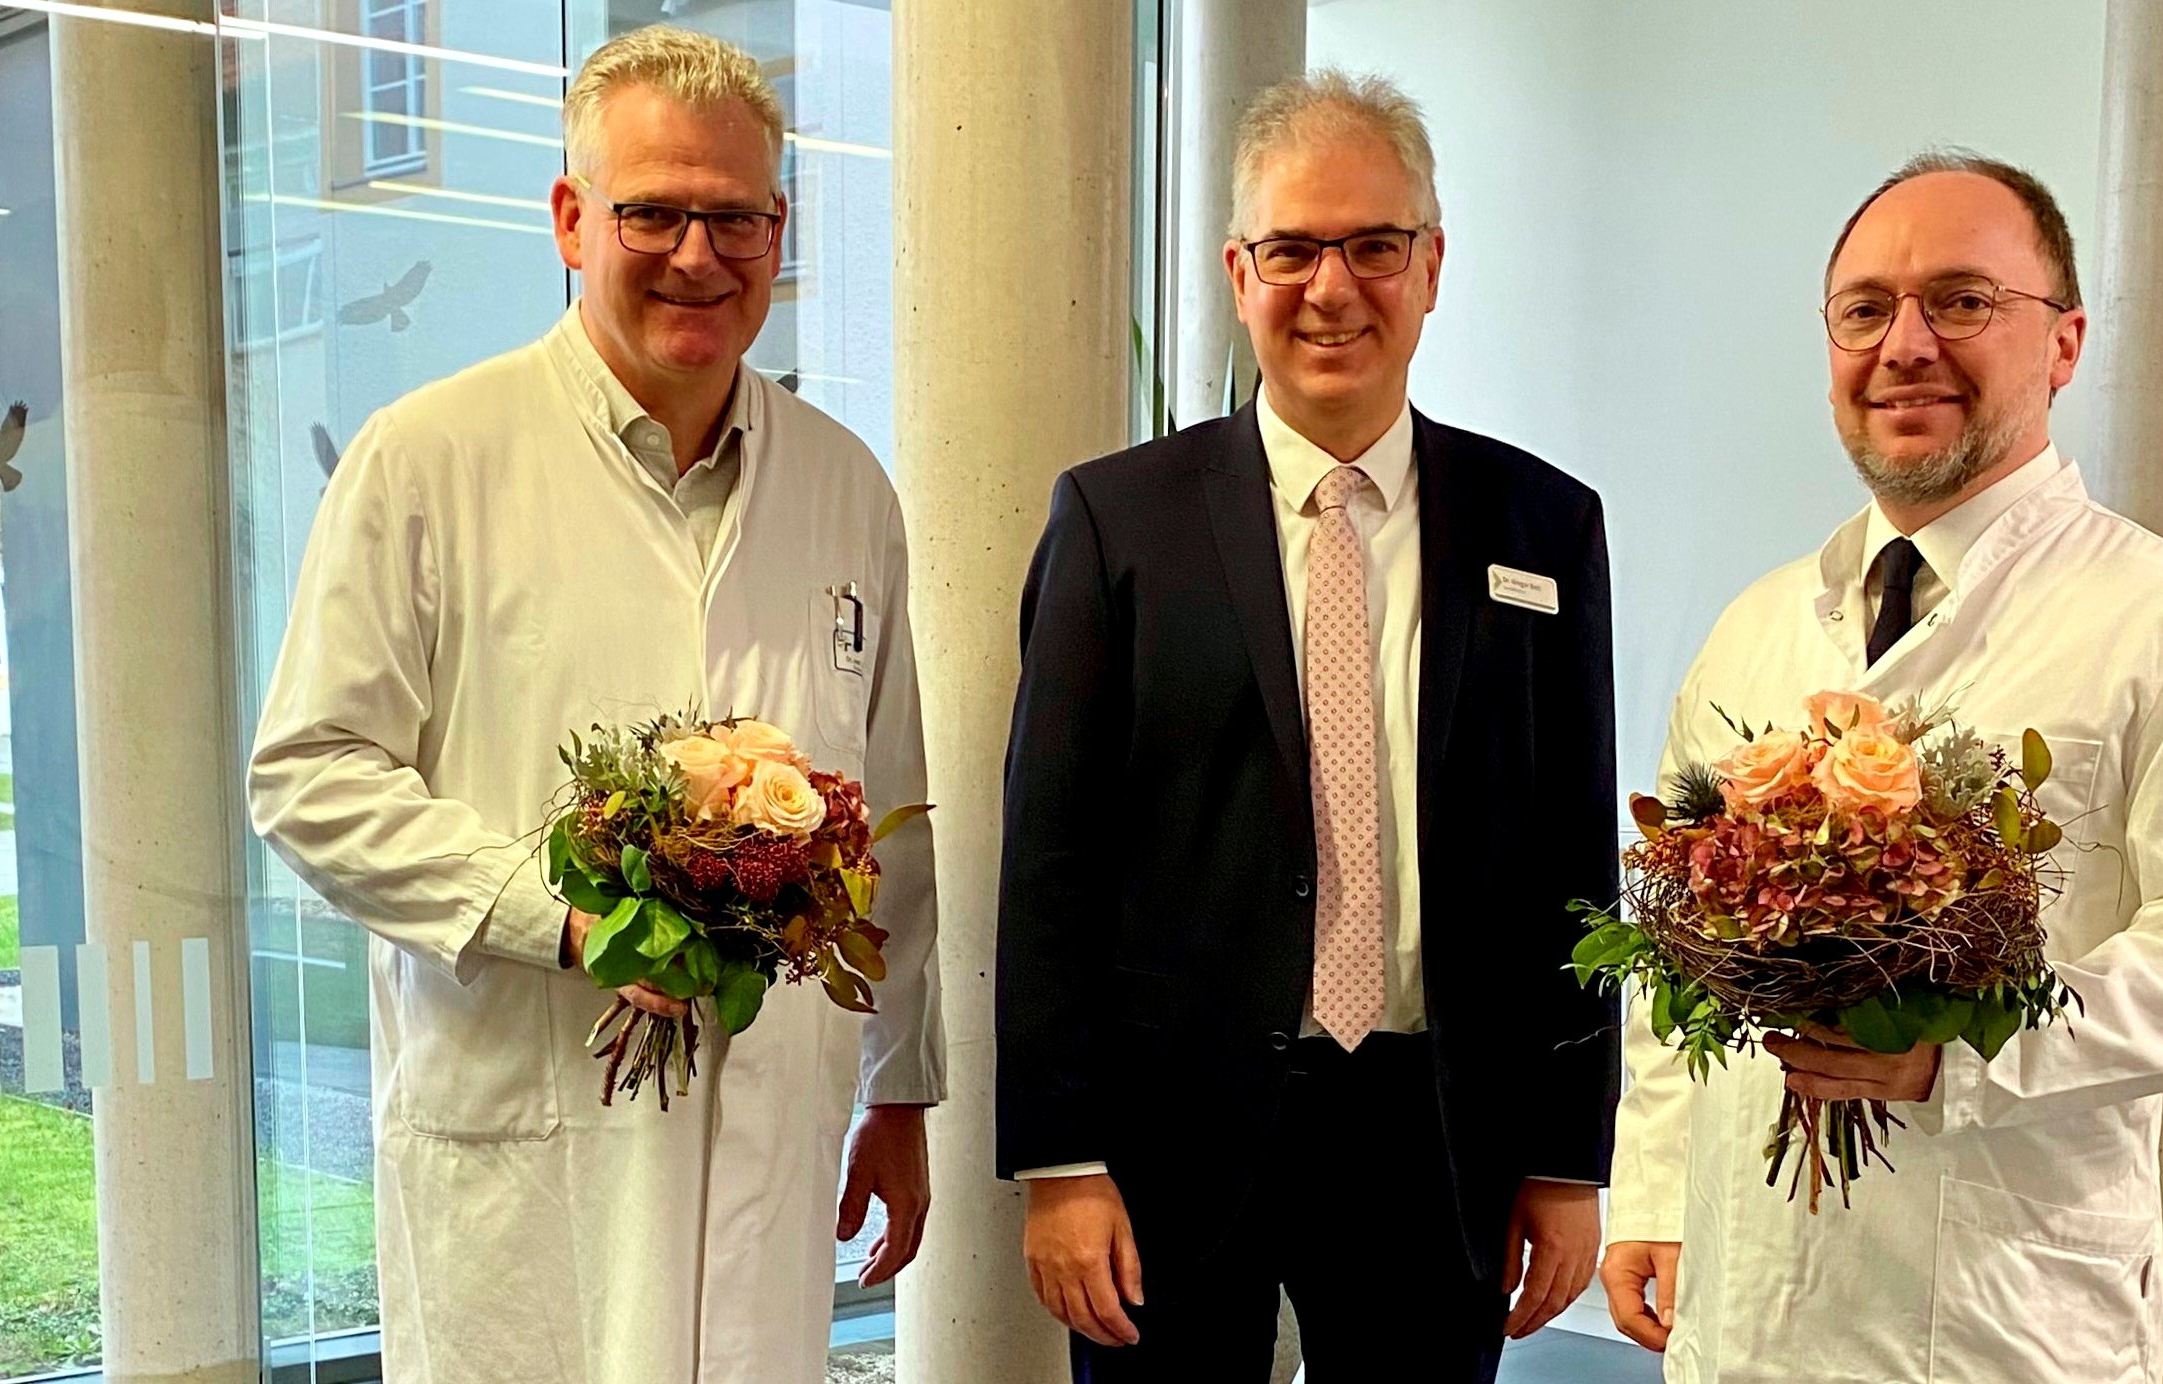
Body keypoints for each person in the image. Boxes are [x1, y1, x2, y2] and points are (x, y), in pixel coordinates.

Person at [247, 27, 941, 1384]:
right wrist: (563, 920)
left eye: (734, 218)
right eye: (653, 214)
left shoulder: (845, 486)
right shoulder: (428, 460)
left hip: (769, 1131)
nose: (698, 255)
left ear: (779, 229)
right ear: (571, 219)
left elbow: (889, 816)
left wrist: (900, 1084)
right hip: (528, 1125)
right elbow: (310, 774)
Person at [1600, 151, 2163, 1383]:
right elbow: (1678, 942)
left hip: (2002, 1321)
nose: (1905, 346)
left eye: (1961, 300)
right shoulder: (1760, 623)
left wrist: (1970, 1054)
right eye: (1865, 310)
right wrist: (1656, 1183)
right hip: (1745, 1313)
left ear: (2064, 343)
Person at [996, 70, 1620, 1382]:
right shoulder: (1117, 520)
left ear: (1431, 265)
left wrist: (1569, 1156)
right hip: (1170, 1134)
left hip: (1437, 1126)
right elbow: (1051, 858)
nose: (1331, 289)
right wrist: (1060, 1158)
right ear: (1239, 272)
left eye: (1373, 246)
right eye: (1291, 250)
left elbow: (1572, 859)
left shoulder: (1543, 525)